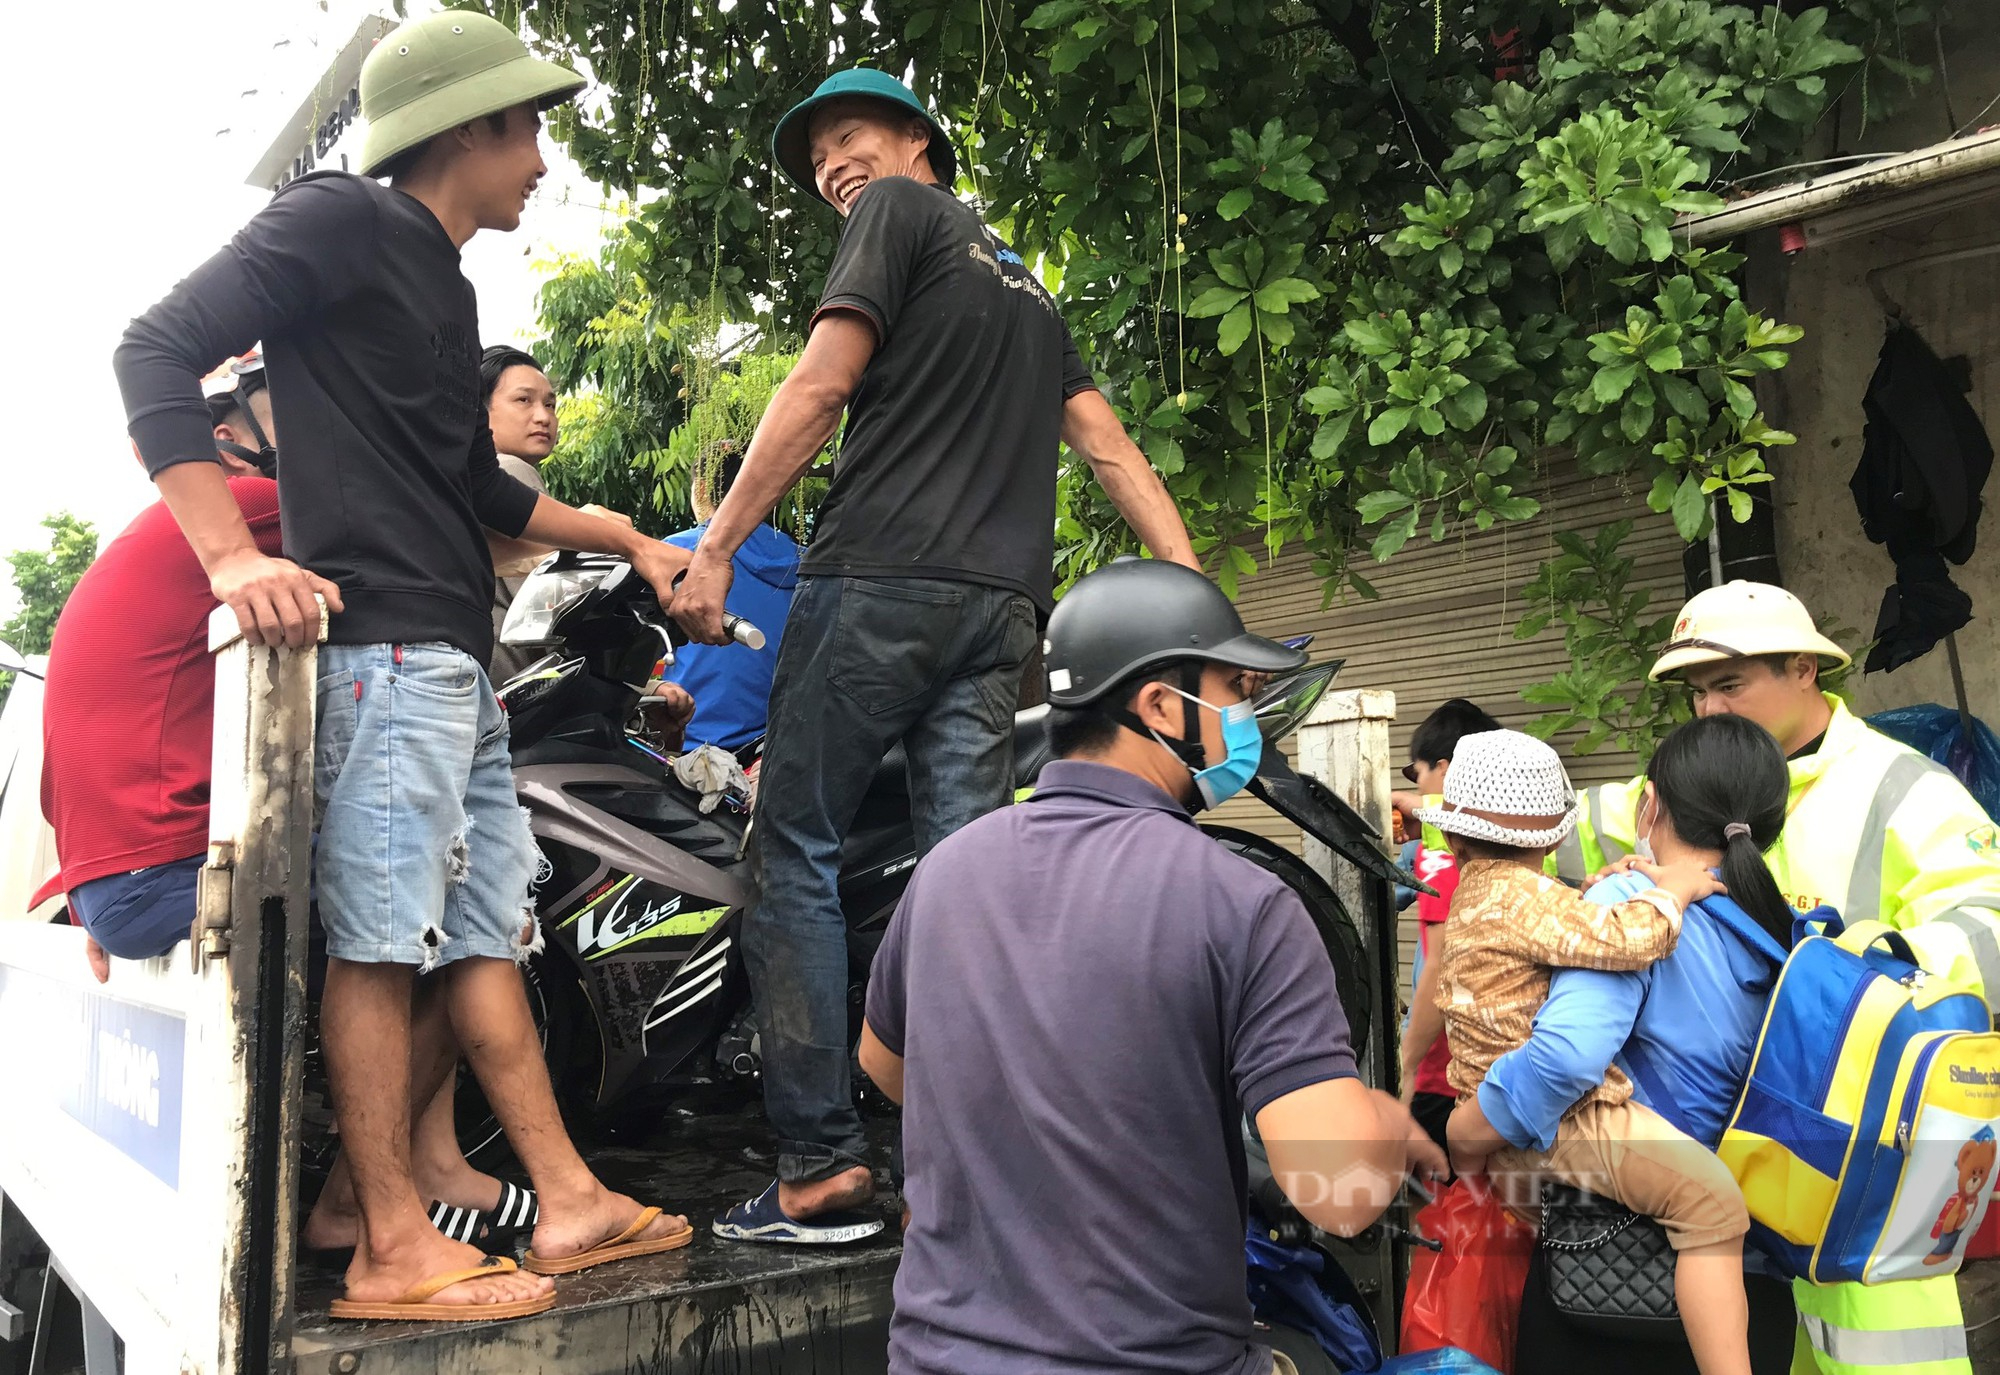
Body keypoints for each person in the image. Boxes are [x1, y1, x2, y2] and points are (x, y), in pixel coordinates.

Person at [114, 11, 697, 1320]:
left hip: (454, 657)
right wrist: (228, 558)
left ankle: (568, 1195)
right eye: (530, 128)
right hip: (380, 651)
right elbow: (155, 350)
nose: (543, 160)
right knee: (385, 944)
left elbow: (469, 477)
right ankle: (387, 1239)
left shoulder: (441, 284)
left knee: (485, 924)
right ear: (469, 124)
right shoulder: (336, 218)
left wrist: (622, 537)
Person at [671, 69, 1199, 1242]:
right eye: (816, 160)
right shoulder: (1025, 287)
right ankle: (966, 1160)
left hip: (875, 588)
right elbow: (1109, 451)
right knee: (958, 876)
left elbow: (819, 387)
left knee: (791, 846)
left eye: (847, 138)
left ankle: (817, 1162)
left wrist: (715, 548)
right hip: (1000, 615)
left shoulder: (895, 217)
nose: (831, 169)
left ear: (918, 142)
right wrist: (1194, 594)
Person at [855, 558, 1446, 1373]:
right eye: (1235, 687)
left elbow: (885, 1065)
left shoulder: (945, 871)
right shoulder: (1244, 902)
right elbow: (1339, 1194)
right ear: (1162, 705)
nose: (1247, 714)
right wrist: (1385, 1123)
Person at [1561, 580, 2000, 1375]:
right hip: (1734, 1184)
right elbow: (1573, 826)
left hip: (1863, 1171)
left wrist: (1840, 981)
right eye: (1697, 693)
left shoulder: (1903, 790)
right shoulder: (1697, 782)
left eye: (1729, 685)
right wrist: (1437, 808)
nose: (1710, 711)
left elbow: (1989, 929)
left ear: (1806, 670)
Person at [1453, 714, 1802, 1373]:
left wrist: (1470, 1126)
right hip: (1759, 1291)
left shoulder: (1625, 900)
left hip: (1614, 1286)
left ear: (1653, 805)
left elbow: (1565, 1055)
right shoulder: (1779, 922)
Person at [37, 356, 280, 984]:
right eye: (287, 416)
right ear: (229, 444)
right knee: (423, 888)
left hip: (107, 886)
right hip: (163, 874)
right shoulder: (250, 501)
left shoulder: (148, 534)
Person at [1388, 697, 1502, 1154]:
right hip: (1491, 1064)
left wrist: (1407, 1067)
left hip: (1441, 1068)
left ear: (1445, 768)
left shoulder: (1444, 858)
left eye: (1418, 774)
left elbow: (1439, 969)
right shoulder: (1517, 845)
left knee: (1436, 1203)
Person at [659, 440, 799, 751]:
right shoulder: (800, 559)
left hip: (692, 740)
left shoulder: (674, 552)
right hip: (776, 742)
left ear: (703, 487)